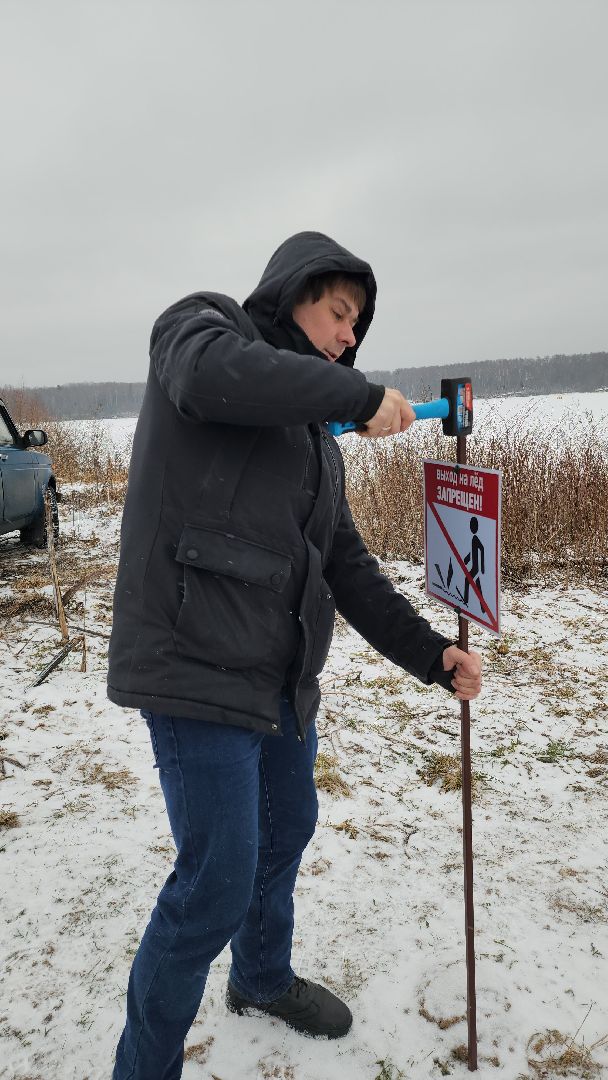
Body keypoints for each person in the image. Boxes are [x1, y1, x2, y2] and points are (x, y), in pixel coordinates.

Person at [107, 231, 482, 1079]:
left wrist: (431, 656)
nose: (350, 336)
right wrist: (355, 391)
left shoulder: (313, 441)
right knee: (214, 885)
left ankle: (263, 979)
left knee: (289, 827)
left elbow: (345, 566)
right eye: (338, 313)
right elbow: (215, 376)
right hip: (192, 665)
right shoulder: (199, 331)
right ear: (290, 293)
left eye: (358, 329)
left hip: (277, 679)